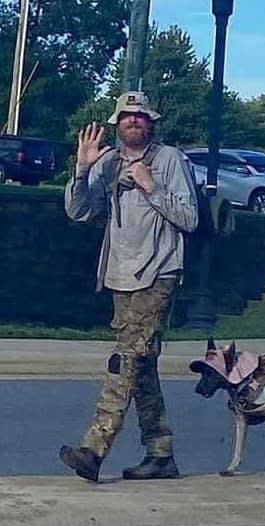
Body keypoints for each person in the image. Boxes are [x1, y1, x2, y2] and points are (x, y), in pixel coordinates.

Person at [59, 91, 198, 482]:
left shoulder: (169, 160)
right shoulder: (108, 163)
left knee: (126, 361)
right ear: (116, 124)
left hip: (159, 272)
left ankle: (94, 449)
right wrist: (82, 170)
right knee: (142, 365)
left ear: (150, 123)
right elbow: (78, 211)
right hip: (120, 274)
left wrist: (151, 186)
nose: (133, 121)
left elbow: (189, 218)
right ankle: (160, 451)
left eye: (140, 116)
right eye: (126, 117)